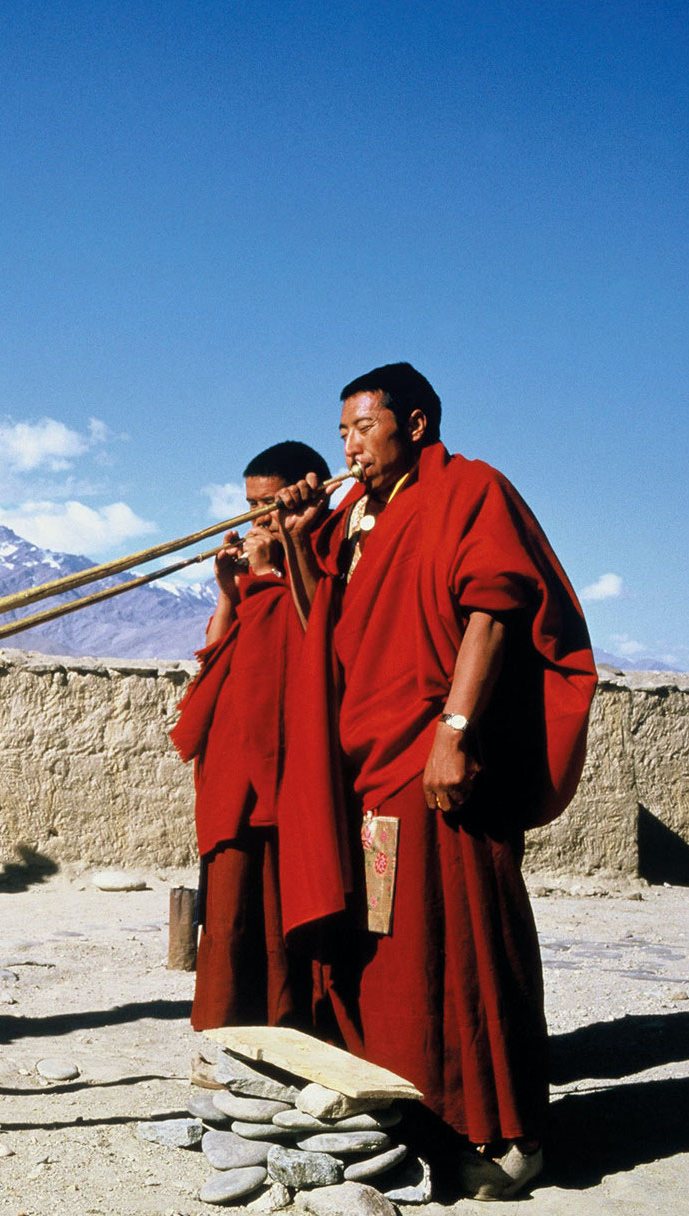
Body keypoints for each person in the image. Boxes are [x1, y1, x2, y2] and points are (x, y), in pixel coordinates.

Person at [274, 364, 596, 1199]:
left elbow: (493, 608)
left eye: (362, 428)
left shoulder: (469, 491)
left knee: (469, 944)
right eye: (341, 430)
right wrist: (306, 538)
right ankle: (415, 1110)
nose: (348, 445)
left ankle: (507, 1133)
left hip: (437, 764)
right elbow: (325, 632)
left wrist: (453, 734)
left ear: (414, 425)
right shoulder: (349, 517)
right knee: (389, 947)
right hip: (369, 773)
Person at [169, 440, 332, 1033]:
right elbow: (221, 655)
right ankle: (226, 1032)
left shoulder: (319, 550)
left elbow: (293, 654)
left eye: (266, 505)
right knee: (231, 906)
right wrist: (229, 589)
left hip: (284, 764)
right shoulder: (264, 559)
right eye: (249, 505)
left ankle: (289, 1027)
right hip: (237, 763)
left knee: (279, 903)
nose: (256, 519)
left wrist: (269, 573)